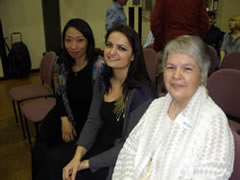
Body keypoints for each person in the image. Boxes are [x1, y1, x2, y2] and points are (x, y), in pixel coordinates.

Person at [112, 35, 234, 180]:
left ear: (202, 75)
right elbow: (130, 151)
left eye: (187, 69)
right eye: (171, 67)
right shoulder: (156, 106)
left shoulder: (213, 122)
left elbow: (212, 174)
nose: (176, 75)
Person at [62, 25, 156, 180]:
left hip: (121, 157)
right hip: (99, 144)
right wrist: (77, 157)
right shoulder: (103, 80)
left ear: (133, 55)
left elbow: (128, 146)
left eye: (121, 48)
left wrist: (85, 164)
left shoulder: (141, 94)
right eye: (109, 45)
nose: (112, 52)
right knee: (55, 162)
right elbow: (93, 121)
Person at [32, 18, 103, 180]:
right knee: (39, 148)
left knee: (53, 159)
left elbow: (101, 110)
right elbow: (59, 94)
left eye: (80, 41)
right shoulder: (65, 66)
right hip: (69, 119)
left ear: (89, 41)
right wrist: (64, 120)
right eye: (68, 40)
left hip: (88, 128)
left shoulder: (98, 67)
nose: (73, 46)